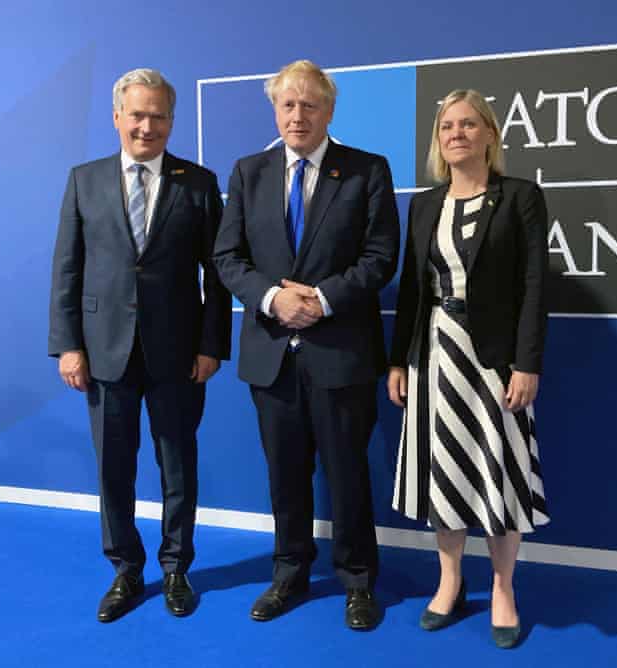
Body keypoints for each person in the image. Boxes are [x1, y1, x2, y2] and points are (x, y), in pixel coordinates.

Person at [213, 60, 400, 630]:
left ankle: (359, 580)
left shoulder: (367, 171)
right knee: (284, 475)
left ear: (329, 111)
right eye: (288, 105)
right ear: (275, 111)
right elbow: (228, 258)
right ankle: (289, 574)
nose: (298, 115)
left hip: (340, 351)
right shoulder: (249, 172)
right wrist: (273, 299)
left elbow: (381, 257)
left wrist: (320, 299)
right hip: (271, 355)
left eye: (309, 105)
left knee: (348, 475)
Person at [48, 68, 231, 623]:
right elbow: (67, 269)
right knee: (113, 469)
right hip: (103, 351)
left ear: (172, 120)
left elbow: (218, 276)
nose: (147, 126)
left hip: (178, 353)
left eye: (158, 116)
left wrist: (211, 345)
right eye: (137, 114)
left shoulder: (199, 183)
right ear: (117, 117)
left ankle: (176, 568)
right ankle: (126, 570)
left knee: (178, 464)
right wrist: (68, 346)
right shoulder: (85, 179)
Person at [387, 89, 550, 648]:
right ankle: (450, 580)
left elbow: (534, 289)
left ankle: (503, 587)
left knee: (498, 474)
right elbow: (413, 289)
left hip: (494, 362)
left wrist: (526, 364)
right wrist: (398, 360)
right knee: (445, 473)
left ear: (489, 134)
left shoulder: (520, 198)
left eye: (468, 124)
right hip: (434, 354)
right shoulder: (424, 204)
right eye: (446, 126)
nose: (455, 133)